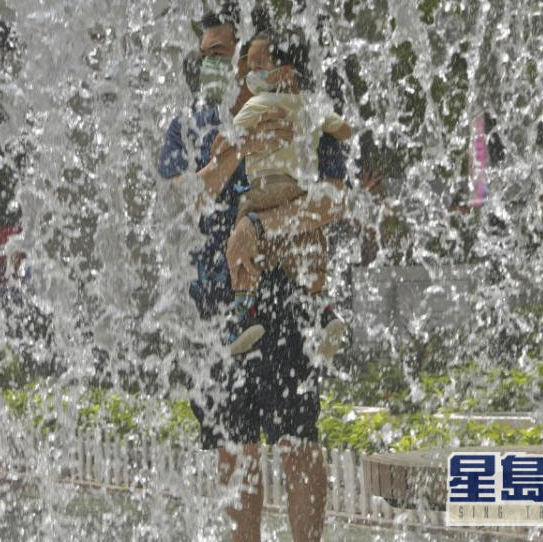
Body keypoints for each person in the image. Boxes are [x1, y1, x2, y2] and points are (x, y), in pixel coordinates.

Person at [157, 5, 349, 541]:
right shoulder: (187, 127)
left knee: (296, 436)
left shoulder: (300, 112)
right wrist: (231, 148)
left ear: (252, 53)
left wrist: (264, 228)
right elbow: (191, 203)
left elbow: (331, 201)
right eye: (206, 58)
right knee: (232, 446)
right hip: (215, 307)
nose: (212, 67)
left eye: (222, 54)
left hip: (288, 293)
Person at [224, 29, 351, 356]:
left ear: (286, 70)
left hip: (265, 190)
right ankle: (327, 314)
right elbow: (346, 130)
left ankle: (243, 315)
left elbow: (224, 143)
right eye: (247, 66)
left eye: (258, 66)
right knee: (306, 254)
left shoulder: (260, 104)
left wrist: (257, 225)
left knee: (240, 243)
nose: (249, 75)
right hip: (297, 190)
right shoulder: (311, 106)